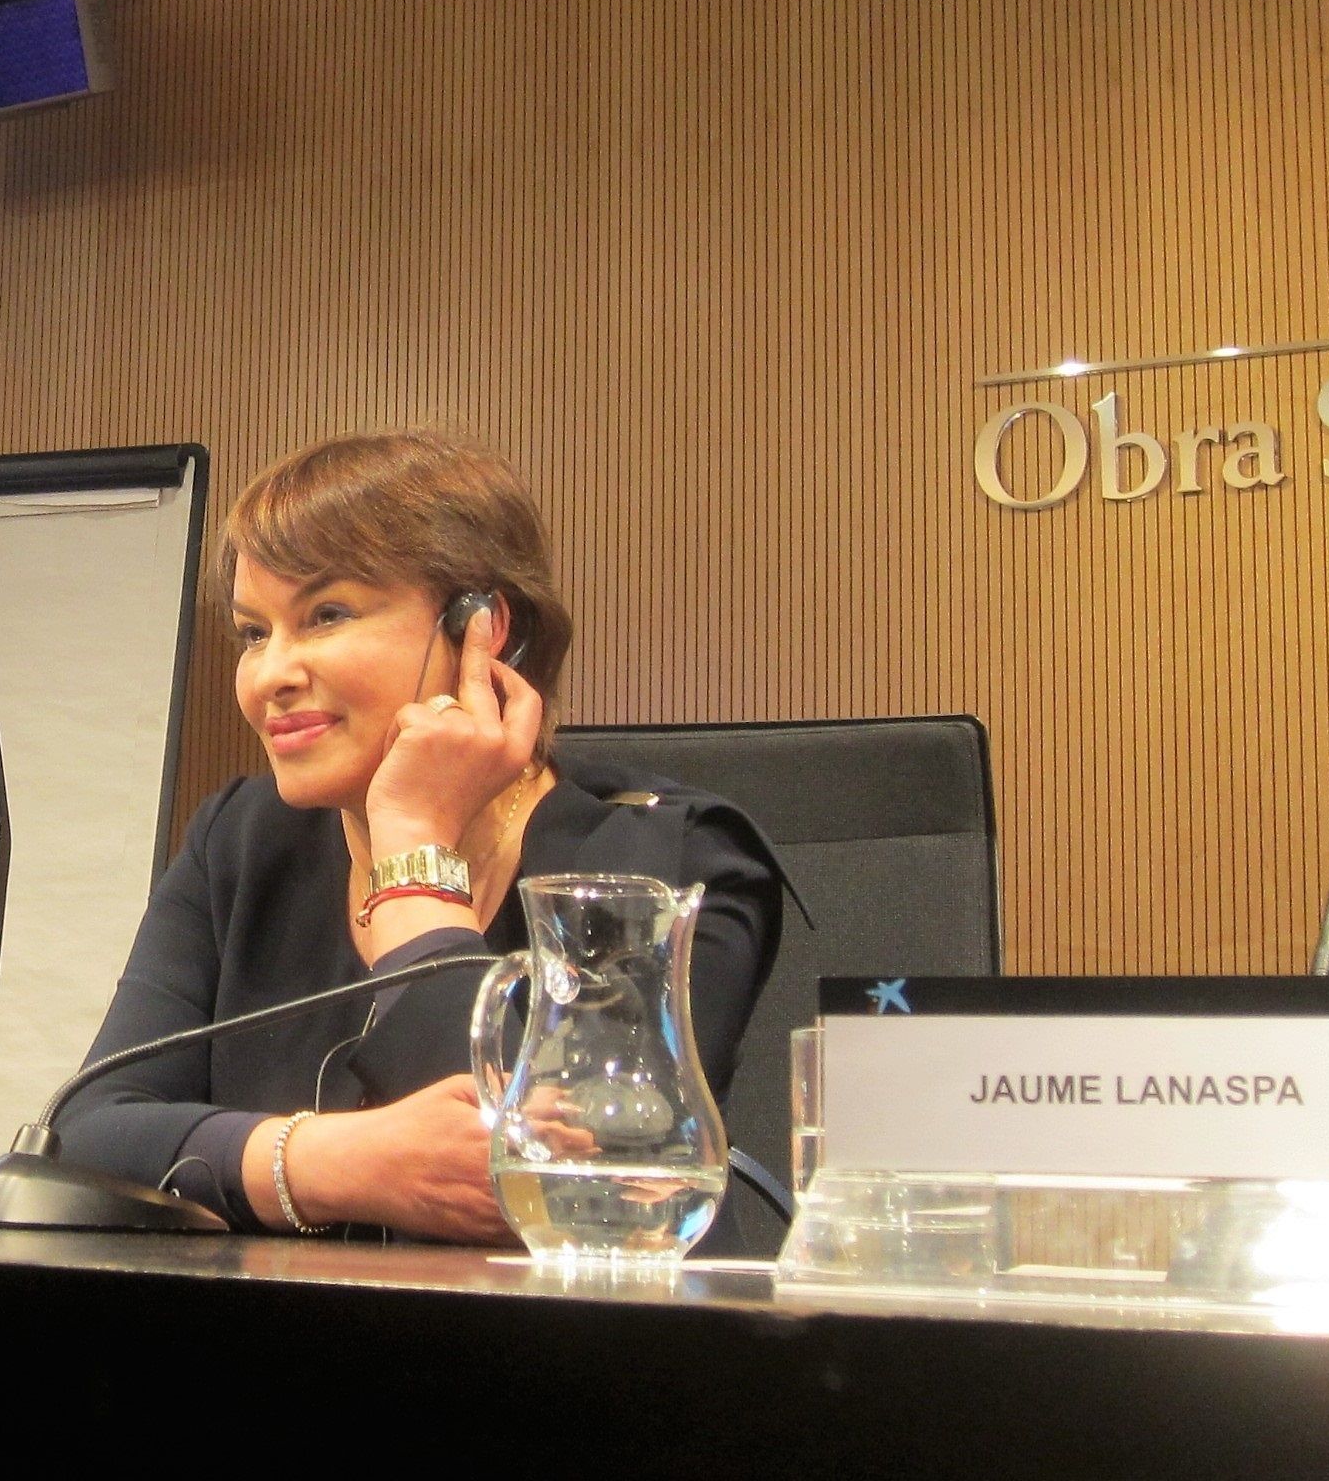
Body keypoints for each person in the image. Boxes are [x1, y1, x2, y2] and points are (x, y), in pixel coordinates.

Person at [55, 431, 786, 1241]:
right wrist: (330, 1164)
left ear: (484, 630)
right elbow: (84, 1134)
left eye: (326, 615)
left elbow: (564, 1192)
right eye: (254, 633)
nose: (269, 676)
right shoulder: (240, 839)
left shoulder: (668, 864)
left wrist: (412, 857)